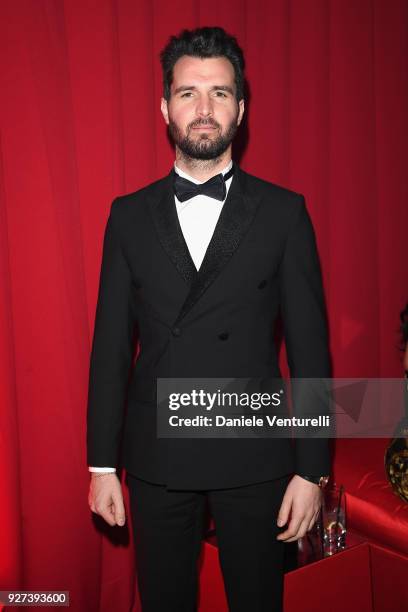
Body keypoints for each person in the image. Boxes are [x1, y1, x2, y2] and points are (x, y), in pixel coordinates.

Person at [87, 26, 331, 612]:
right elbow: (110, 350)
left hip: (255, 452)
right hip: (156, 455)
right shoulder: (127, 216)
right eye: (188, 92)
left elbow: (312, 352)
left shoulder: (284, 213)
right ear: (165, 106)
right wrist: (101, 463)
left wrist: (313, 471)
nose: (203, 109)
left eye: (219, 93)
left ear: (241, 109)